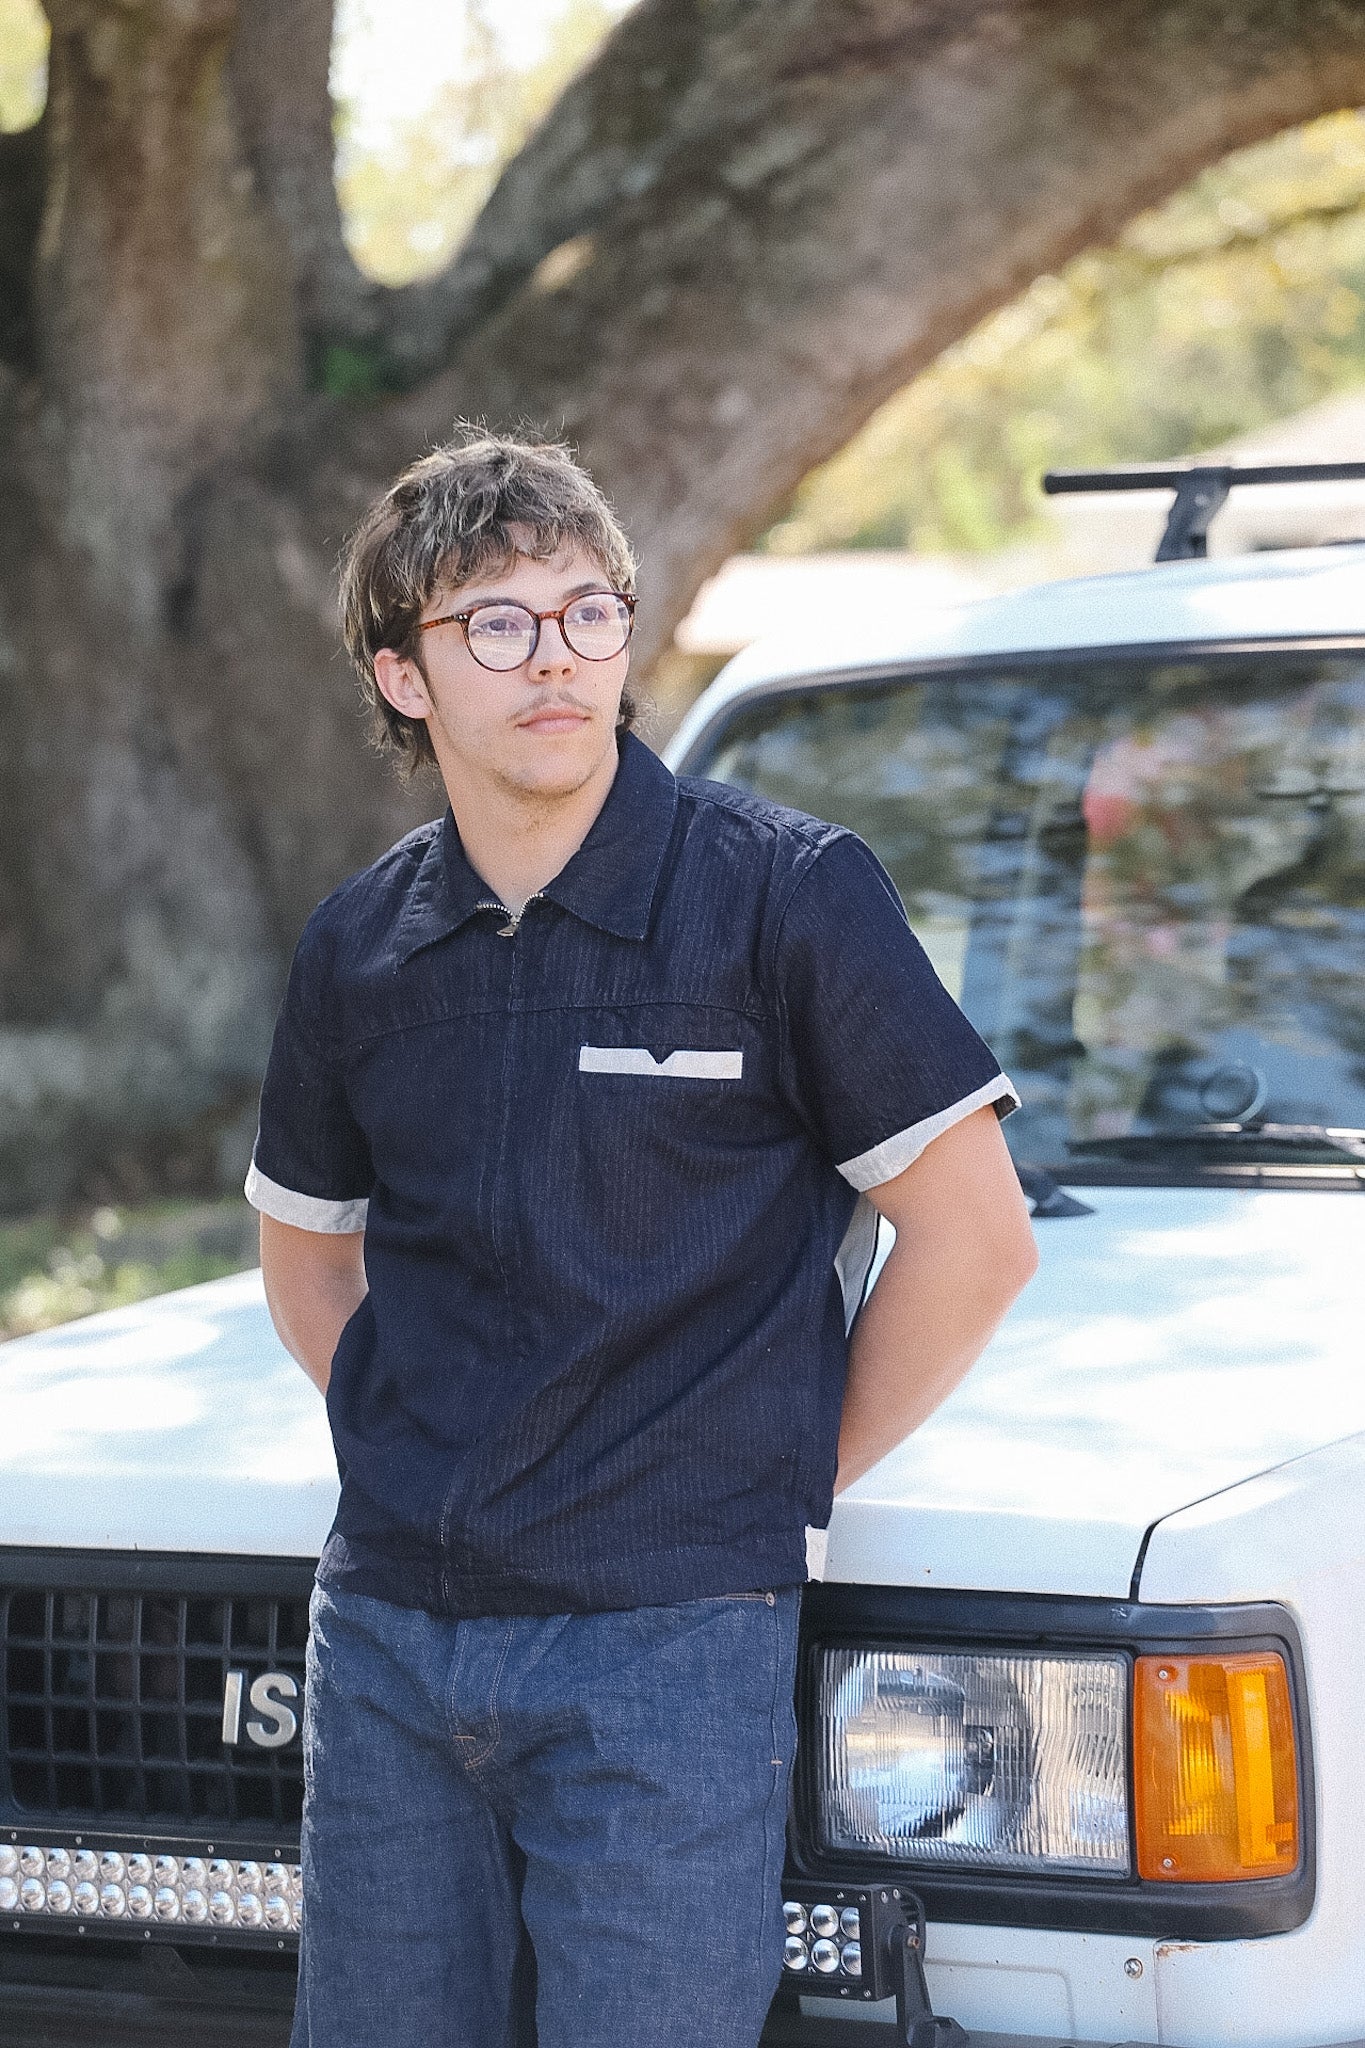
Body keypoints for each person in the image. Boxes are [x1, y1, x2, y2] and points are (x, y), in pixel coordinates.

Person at [246, 429, 1038, 2048]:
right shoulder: (358, 949)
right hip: (390, 1640)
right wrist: (427, 1461)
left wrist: (761, 1477)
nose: (557, 658)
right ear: (403, 679)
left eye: (587, 611)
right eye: (495, 623)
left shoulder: (782, 898)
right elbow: (311, 1261)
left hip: (668, 1649)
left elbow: (971, 1238)